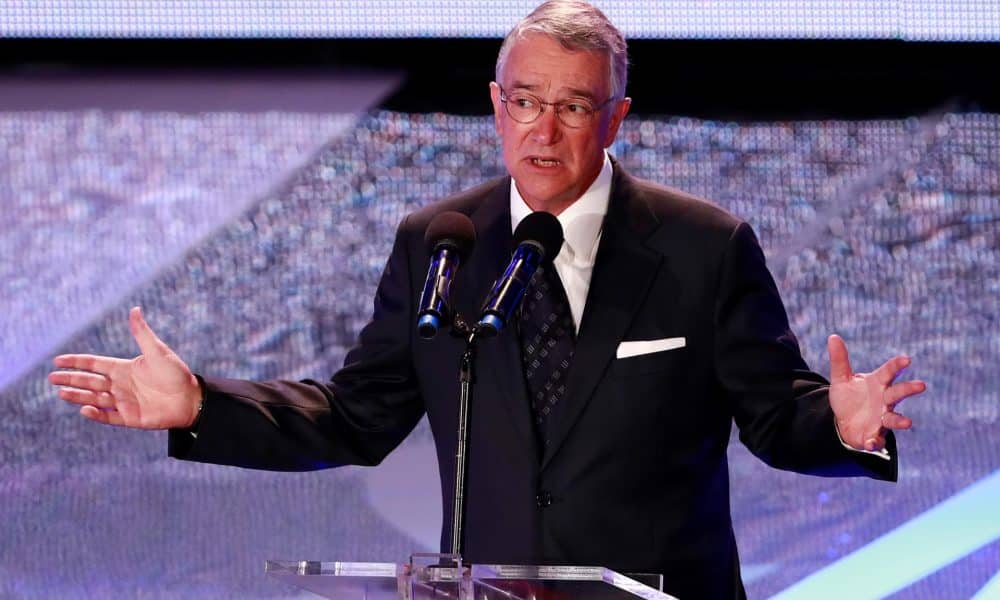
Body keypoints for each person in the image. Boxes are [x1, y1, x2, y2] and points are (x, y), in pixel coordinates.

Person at [49, 1, 927, 597]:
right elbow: (355, 415)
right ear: (495, 106)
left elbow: (777, 415)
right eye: (525, 102)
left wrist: (844, 424)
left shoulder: (702, 246)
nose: (543, 131)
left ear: (615, 119)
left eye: (574, 107)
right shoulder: (442, 243)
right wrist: (201, 404)